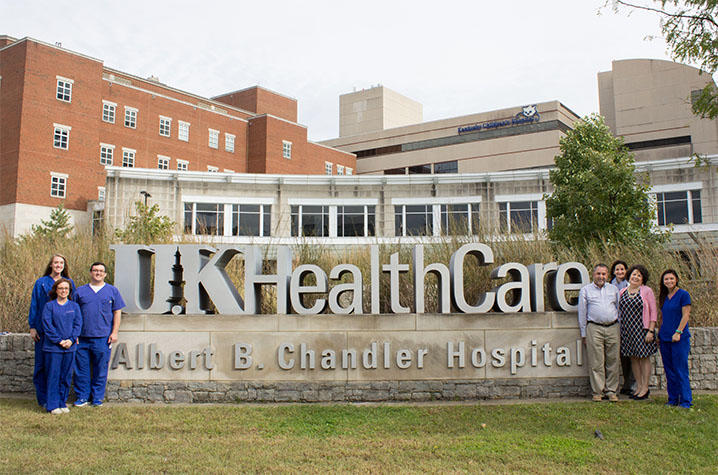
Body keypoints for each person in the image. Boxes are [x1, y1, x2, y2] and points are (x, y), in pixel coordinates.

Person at [73, 262, 125, 407]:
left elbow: (117, 312)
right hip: (82, 338)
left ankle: (97, 398)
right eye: (95, 270)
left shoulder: (112, 291)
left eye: (101, 271)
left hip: (103, 337)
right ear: (90, 272)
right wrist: (74, 334)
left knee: (100, 369)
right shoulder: (79, 292)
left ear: (105, 274)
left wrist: (114, 332)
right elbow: (73, 314)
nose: (98, 273)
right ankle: (82, 397)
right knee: (81, 369)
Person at [27, 254, 76, 409]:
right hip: (43, 331)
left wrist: (74, 336)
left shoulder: (69, 283)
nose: (58, 265)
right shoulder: (41, 283)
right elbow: (34, 304)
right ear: (50, 265)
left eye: (61, 262)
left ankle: (58, 400)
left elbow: (73, 306)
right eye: (56, 262)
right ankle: (44, 400)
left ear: (64, 265)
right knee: (42, 367)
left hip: (65, 331)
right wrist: (33, 326)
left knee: (61, 370)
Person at [578, 263, 620, 402]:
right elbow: (582, 312)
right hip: (594, 327)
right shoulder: (586, 290)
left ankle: (611, 391)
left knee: (613, 360)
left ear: (607, 275)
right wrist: (584, 333)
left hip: (613, 327)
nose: (601, 276)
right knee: (596, 361)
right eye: (598, 274)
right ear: (593, 274)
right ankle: (598, 391)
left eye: (603, 274)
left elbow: (619, 309)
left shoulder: (614, 289)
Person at [41, 279, 82, 415]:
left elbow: (78, 325)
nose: (63, 291)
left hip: (70, 348)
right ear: (56, 290)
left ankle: (61, 402)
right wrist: (59, 341)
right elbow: (48, 326)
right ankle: (52, 405)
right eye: (61, 288)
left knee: (65, 376)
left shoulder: (74, 306)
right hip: (53, 348)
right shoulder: (49, 306)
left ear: (69, 291)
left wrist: (71, 340)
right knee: (53, 375)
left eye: (66, 288)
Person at [618, 265, 657, 400]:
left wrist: (650, 330)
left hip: (642, 330)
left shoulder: (647, 291)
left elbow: (653, 312)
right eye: (634, 274)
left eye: (639, 275)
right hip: (628, 331)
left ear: (643, 279)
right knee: (633, 358)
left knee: (644, 358)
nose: (635, 277)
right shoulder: (623, 291)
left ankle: (645, 388)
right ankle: (638, 386)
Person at [658, 269, 692, 408]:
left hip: (679, 339)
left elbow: (686, 315)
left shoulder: (683, 295)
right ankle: (673, 398)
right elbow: (663, 317)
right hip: (665, 338)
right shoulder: (665, 296)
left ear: (676, 279)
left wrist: (678, 332)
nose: (669, 281)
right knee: (669, 370)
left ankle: (685, 400)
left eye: (671, 278)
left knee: (680, 369)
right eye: (666, 279)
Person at [610, 259, 634, 395]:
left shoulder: (632, 286)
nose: (620, 272)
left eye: (622, 269)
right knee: (621, 356)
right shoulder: (609, 286)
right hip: (615, 325)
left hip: (629, 325)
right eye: (617, 269)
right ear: (613, 272)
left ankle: (632, 384)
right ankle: (625, 384)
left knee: (631, 355)